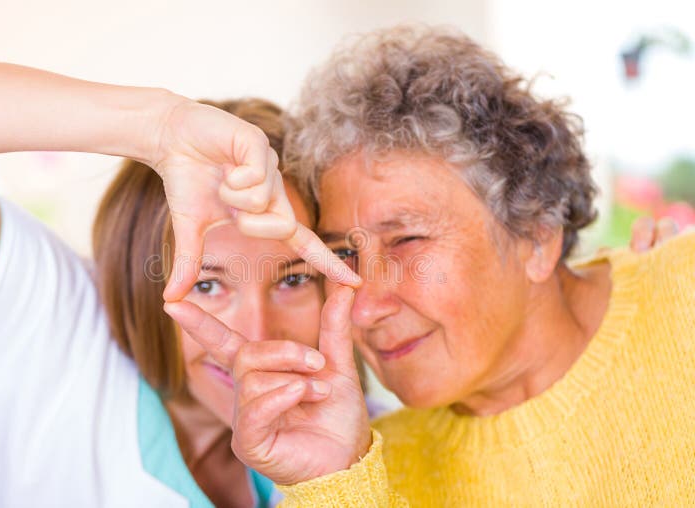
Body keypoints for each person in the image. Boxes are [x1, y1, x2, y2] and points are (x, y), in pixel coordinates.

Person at [170, 25, 695, 505]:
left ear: (536, 233)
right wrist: (333, 487)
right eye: (344, 255)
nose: (366, 308)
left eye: (406, 240)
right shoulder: (353, 470)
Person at [0, 59, 356, 508]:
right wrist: (158, 126)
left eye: (293, 279)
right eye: (207, 285)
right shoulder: (45, 316)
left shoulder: (356, 443)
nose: (258, 335)